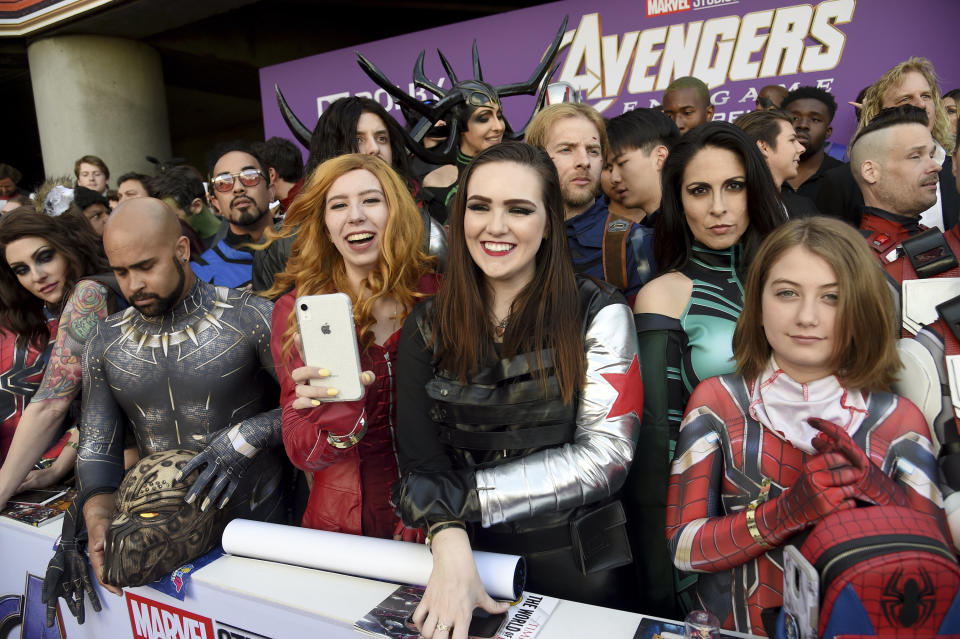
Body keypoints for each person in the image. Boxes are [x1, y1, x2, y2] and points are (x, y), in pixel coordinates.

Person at [395, 142, 642, 633]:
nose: (496, 226)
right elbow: (421, 463)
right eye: (480, 206)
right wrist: (448, 541)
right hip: (464, 565)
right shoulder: (425, 324)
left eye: (519, 209)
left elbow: (606, 458)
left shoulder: (601, 310)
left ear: (549, 221)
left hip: (583, 574)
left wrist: (458, 499)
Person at [666, 216, 944, 635]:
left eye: (832, 297)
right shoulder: (716, 402)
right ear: (758, 303)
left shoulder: (900, 420)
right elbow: (683, 548)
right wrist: (786, 513)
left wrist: (877, 491)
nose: (807, 316)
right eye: (786, 293)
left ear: (862, 308)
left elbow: (935, 569)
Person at [76, 198, 288, 598]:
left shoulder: (252, 317)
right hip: (155, 553)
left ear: (181, 251)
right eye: (120, 271)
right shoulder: (104, 342)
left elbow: (312, 410)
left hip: (260, 538)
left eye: (145, 266)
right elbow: (97, 448)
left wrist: (249, 434)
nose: (133, 285)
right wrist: (97, 517)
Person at [632, 121, 785, 613]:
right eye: (700, 191)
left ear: (754, 189)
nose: (718, 207)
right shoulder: (665, 295)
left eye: (734, 186)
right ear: (679, 201)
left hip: (817, 499)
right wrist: (664, 579)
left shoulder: (800, 275)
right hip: (715, 522)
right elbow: (659, 445)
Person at [267, 153, 437, 536]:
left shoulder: (435, 293)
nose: (355, 215)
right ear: (326, 226)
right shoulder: (297, 311)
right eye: (338, 205)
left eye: (371, 200)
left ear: (396, 212)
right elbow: (299, 449)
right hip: (343, 528)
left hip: (437, 516)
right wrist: (337, 426)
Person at [256, 96, 438, 293]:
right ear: (331, 149)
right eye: (358, 139)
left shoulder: (424, 228)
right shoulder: (282, 242)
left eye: (381, 138)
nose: (374, 149)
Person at [0, 209, 118, 509]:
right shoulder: (84, 295)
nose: (37, 276)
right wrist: (55, 470)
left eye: (44, 256)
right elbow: (95, 409)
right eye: (21, 269)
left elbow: (51, 406)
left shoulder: (88, 292)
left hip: (139, 468)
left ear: (67, 249)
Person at [526, 103, 656, 299]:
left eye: (593, 151)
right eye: (566, 149)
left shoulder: (634, 244)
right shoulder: (514, 239)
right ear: (536, 159)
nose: (584, 161)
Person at [817, 57, 959, 228]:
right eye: (906, 99)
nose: (921, 104)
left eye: (926, 96)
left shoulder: (955, 169)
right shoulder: (841, 182)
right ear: (879, 111)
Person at [193, 141, 275, 289]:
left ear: (271, 191)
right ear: (215, 203)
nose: (238, 188)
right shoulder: (200, 276)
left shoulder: (307, 247)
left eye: (250, 176)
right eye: (223, 183)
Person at [603, 108, 680, 227]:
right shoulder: (645, 230)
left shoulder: (692, 224)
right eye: (609, 167)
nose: (614, 178)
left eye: (622, 163)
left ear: (660, 157)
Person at [733, 109, 817, 217]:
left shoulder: (804, 207)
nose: (801, 149)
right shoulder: (734, 213)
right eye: (791, 140)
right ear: (764, 147)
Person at [780, 86, 843, 202]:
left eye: (815, 119)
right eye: (794, 117)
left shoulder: (844, 177)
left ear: (828, 131)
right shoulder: (764, 174)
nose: (803, 125)